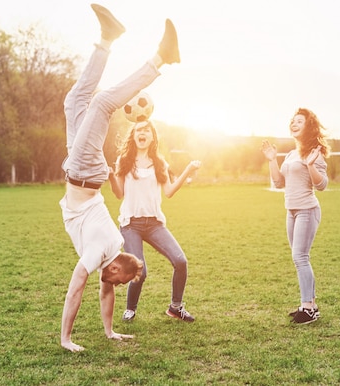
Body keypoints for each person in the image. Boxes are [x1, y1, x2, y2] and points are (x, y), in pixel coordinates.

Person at [59, 3, 181, 351]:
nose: (111, 283)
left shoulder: (109, 258)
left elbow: (104, 292)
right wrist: (66, 339)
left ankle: (107, 39)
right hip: (82, 173)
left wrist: (110, 332)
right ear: (115, 266)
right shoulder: (101, 252)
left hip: (84, 172)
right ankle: (160, 59)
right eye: (117, 279)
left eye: (117, 281)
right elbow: (76, 288)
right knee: (99, 105)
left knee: (74, 102)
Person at [108, 121, 201, 322]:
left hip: (154, 224)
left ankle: (176, 307)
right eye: (139, 130)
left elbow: (168, 192)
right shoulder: (124, 161)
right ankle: (130, 310)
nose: (142, 133)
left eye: (146, 130)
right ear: (133, 136)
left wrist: (187, 170)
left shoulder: (160, 163)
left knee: (181, 261)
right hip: (130, 224)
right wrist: (110, 176)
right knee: (140, 271)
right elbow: (118, 193)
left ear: (152, 137)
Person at [260, 108, 330, 325]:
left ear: (308, 126)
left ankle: (307, 308)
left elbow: (322, 185)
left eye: (299, 121)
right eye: (292, 120)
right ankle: (311, 305)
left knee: (300, 257)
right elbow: (279, 183)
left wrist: (310, 164)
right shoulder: (291, 154)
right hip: (290, 211)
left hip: (307, 210)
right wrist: (272, 160)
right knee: (299, 258)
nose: (294, 123)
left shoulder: (314, 152)